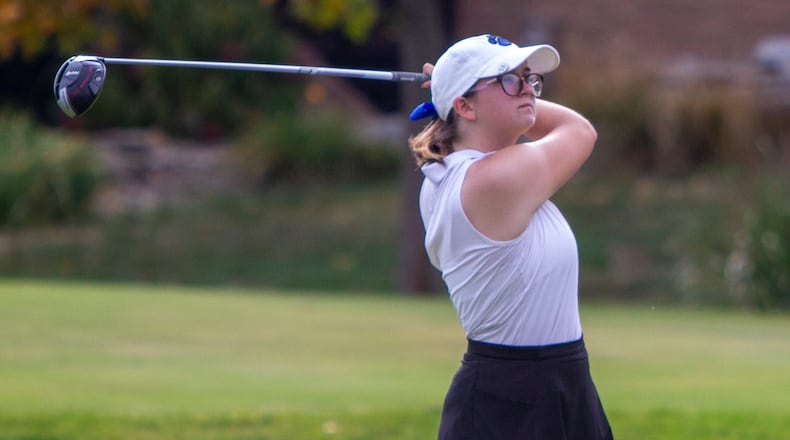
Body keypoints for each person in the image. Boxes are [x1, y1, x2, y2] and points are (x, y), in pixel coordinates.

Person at [408, 34, 614, 439]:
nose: (527, 89)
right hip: (511, 398)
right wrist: (451, 85)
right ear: (465, 107)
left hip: (560, 382)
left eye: (528, 78)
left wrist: (457, 89)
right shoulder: (492, 179)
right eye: (507, 80)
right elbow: (580, 131)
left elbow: (547, 122)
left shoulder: (448, 174)